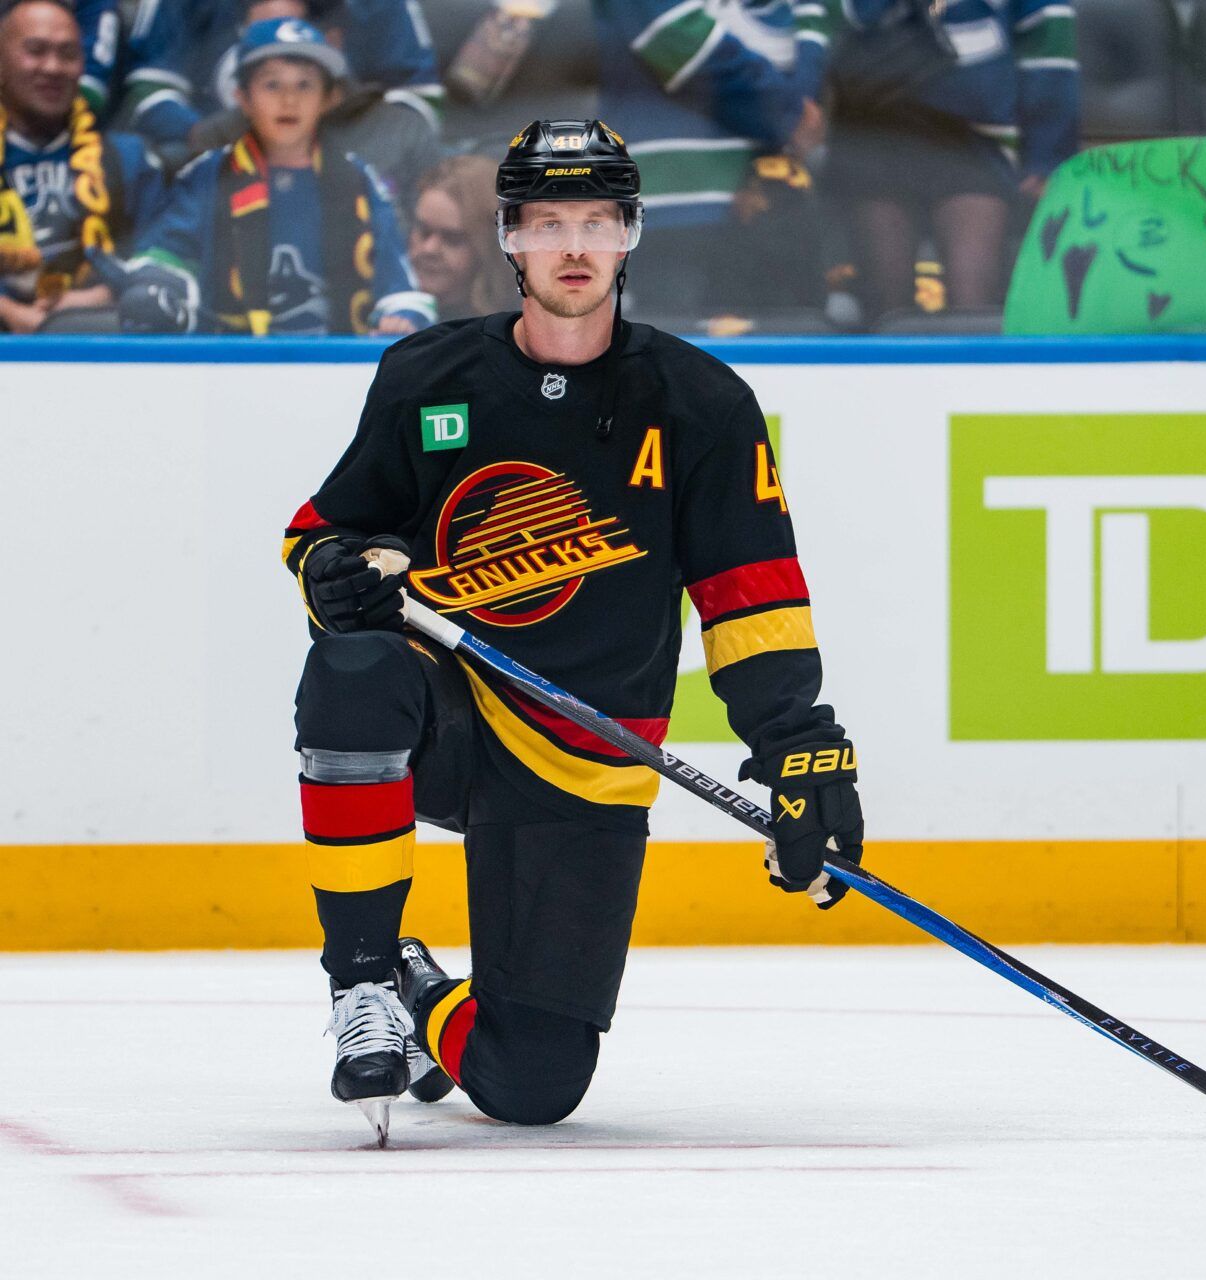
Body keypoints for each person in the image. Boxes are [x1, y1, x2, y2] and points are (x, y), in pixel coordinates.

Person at [278, 119, 865, 1139]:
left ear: (632, 233)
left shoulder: (702, 405)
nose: (575, 246)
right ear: (510, 237)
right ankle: (362, 981)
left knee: (532, 1083)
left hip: (585, 760)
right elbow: (322, 534)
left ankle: (421, 990)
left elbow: (751, 596)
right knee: (356, 664)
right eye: (549, 222)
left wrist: (800, 746)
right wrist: (332, 577)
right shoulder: (426, 379)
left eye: (597, 219)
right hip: (452, 719)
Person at [114, 17, 432, 335]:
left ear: (329, 98)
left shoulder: (359, 180)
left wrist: (402, 314)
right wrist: (158, 286)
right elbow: (165, 255)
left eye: (304, 85)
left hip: (336, 362)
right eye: (272, 84)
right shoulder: (210, 175)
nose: (289, 100)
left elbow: (398, 283)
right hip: (230, 362)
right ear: (242, 98)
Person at [826, 0, 1080, 317]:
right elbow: (832, 22)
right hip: (875, 129)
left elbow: (1048, 50)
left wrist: (1047, 157)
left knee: (973, 306)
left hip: (973, 137)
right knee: (887, 310)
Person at [592, 0, 831, 311]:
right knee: (679, 347)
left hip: (777, 197)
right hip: (681, 196)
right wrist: (787, 110)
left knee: (786, 345)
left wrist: (793, 106)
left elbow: (813, 15)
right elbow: (672, 32)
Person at [124, 0, 443, 179]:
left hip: (353, 153)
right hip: (230, 153)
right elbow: (150, 91)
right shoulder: (218, 145)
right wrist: (222, 139)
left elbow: (419, 103)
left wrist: (337, 150)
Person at [0, 0, 166, 334]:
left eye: (68, 54)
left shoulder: (128, 160)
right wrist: (9, 312)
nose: (53, 67)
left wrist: (96, 298)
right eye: (36, 50)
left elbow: (164, 258)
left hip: (101, 352)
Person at [408, 153, 519, 321]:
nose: (429, 249)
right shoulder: (382, 307)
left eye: (452, 239)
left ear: (490, 244)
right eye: (424, 232)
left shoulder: (512, 327)